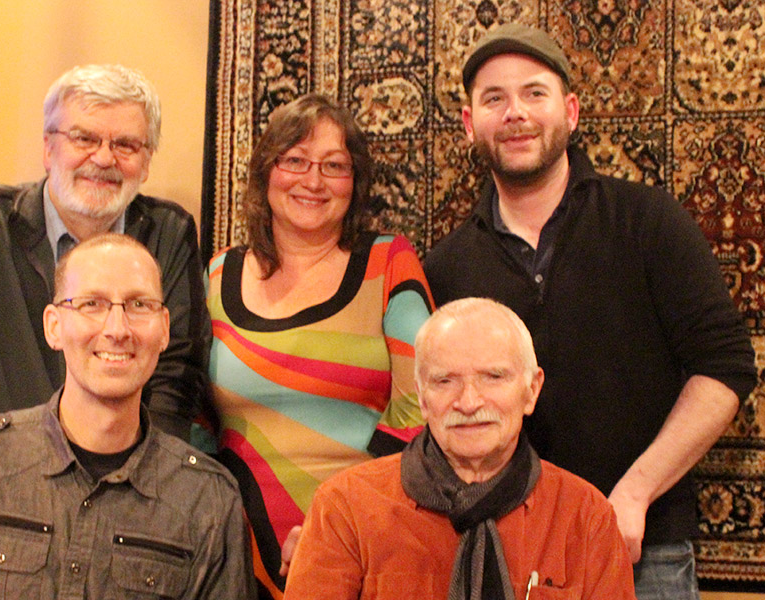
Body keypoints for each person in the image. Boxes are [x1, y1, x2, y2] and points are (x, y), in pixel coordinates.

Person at [423, 23, 757, 599]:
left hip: (643, 543)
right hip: (503, 549)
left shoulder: (648, 220)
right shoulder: (446, 264)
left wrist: (635, 493)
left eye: (534, 93)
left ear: (570, 112)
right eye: (494, 99)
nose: (514, 113)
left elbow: (725, 367)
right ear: (469, 122)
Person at [0, 64, 211, 497]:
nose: (104, 158)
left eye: (126, 144)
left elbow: (178, 371)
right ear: (47, 148)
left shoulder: (169, 233)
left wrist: (147, 498)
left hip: (124, 496)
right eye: (84, 138)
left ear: (146, 162)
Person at [0, 234, 252, 600]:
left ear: (164, 330)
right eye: (91, 304)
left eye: (139, 305)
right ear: (53, 326)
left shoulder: (209, 500)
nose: (117, 329)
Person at [205, 93, 433, 597]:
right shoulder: (219, 274)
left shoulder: (389, 263)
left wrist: (339, 526)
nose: (313, 181)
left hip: (369, 545)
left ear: (355, 183)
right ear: (266, 173)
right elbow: (197, 419)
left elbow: (423, 408)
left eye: (335, 166)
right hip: (233, 554)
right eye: (295, 161)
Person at [283, 298, 635, 599]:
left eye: (493, 377)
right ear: (421, 398)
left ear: (531, 390)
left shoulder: (586, 517)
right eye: (444, 381)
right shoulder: (345, 507)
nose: (468, 402)